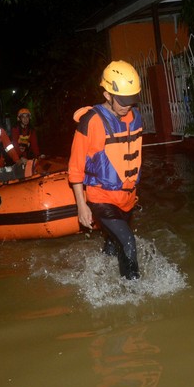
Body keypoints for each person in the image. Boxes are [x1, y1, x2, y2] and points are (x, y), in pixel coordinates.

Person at [68, 60, 143, 280]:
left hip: (127, 198)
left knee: (114, 243)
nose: (126, 105)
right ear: (107, 94)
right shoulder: (91, 121)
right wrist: (82, 206)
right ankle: (134, 298)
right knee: (128, 241)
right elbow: (75, 167)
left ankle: (100, 276)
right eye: (122, 100)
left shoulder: (135, 116)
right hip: (101, 197)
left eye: (131, 100)